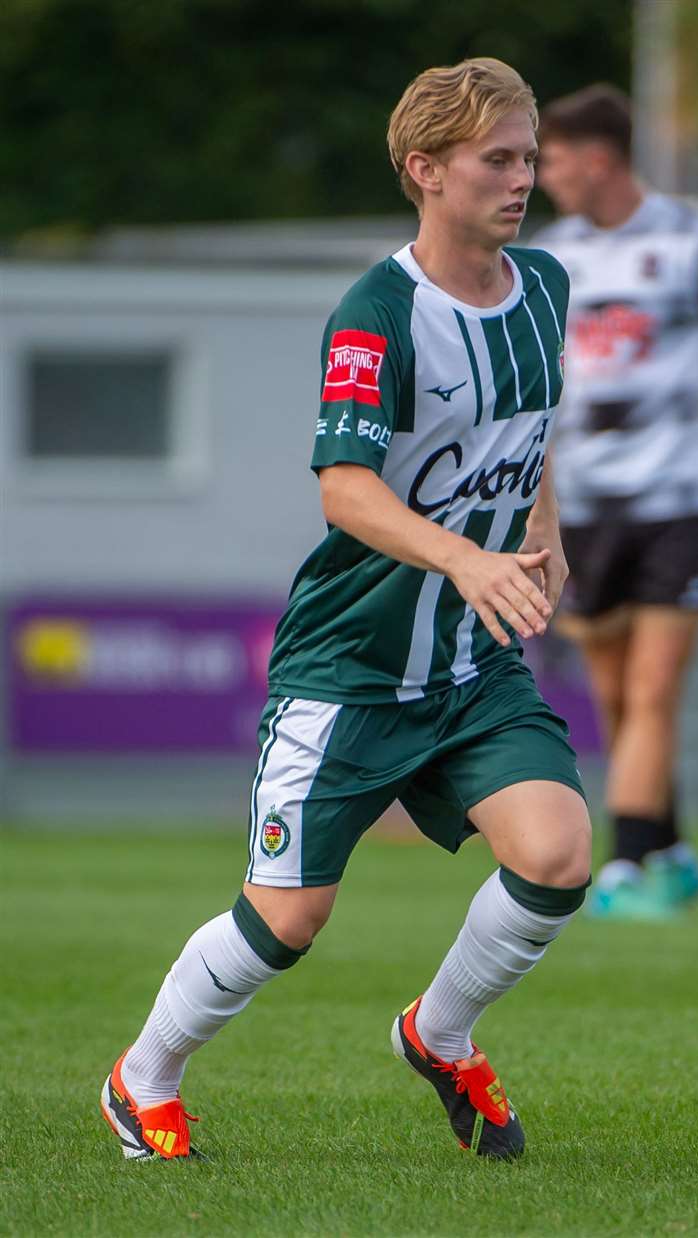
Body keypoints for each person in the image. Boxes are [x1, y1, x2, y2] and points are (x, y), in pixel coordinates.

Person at [100, 58, 592, 1163]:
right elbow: (344, 488)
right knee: (287, 920)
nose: (524, 178)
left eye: (528, 156)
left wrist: (539, 536)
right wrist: (468, 557)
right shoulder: (378, 311)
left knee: (558, 849)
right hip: (352, 663)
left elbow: (531, 429)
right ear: (426, 170)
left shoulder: (547, 287)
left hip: (469, 662)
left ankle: (440, 1031)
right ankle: (144, 1076)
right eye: (497, 160)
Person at [532, 85, 698, 920]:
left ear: (599, 159)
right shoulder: (549, 259)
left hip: (677, 500)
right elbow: (535, 394)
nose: (541, 176)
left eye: (551, 159)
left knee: (653, 694)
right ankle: (674, 849)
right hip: (583, 507)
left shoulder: (695, 243)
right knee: (619, 699)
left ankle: (625, 868)